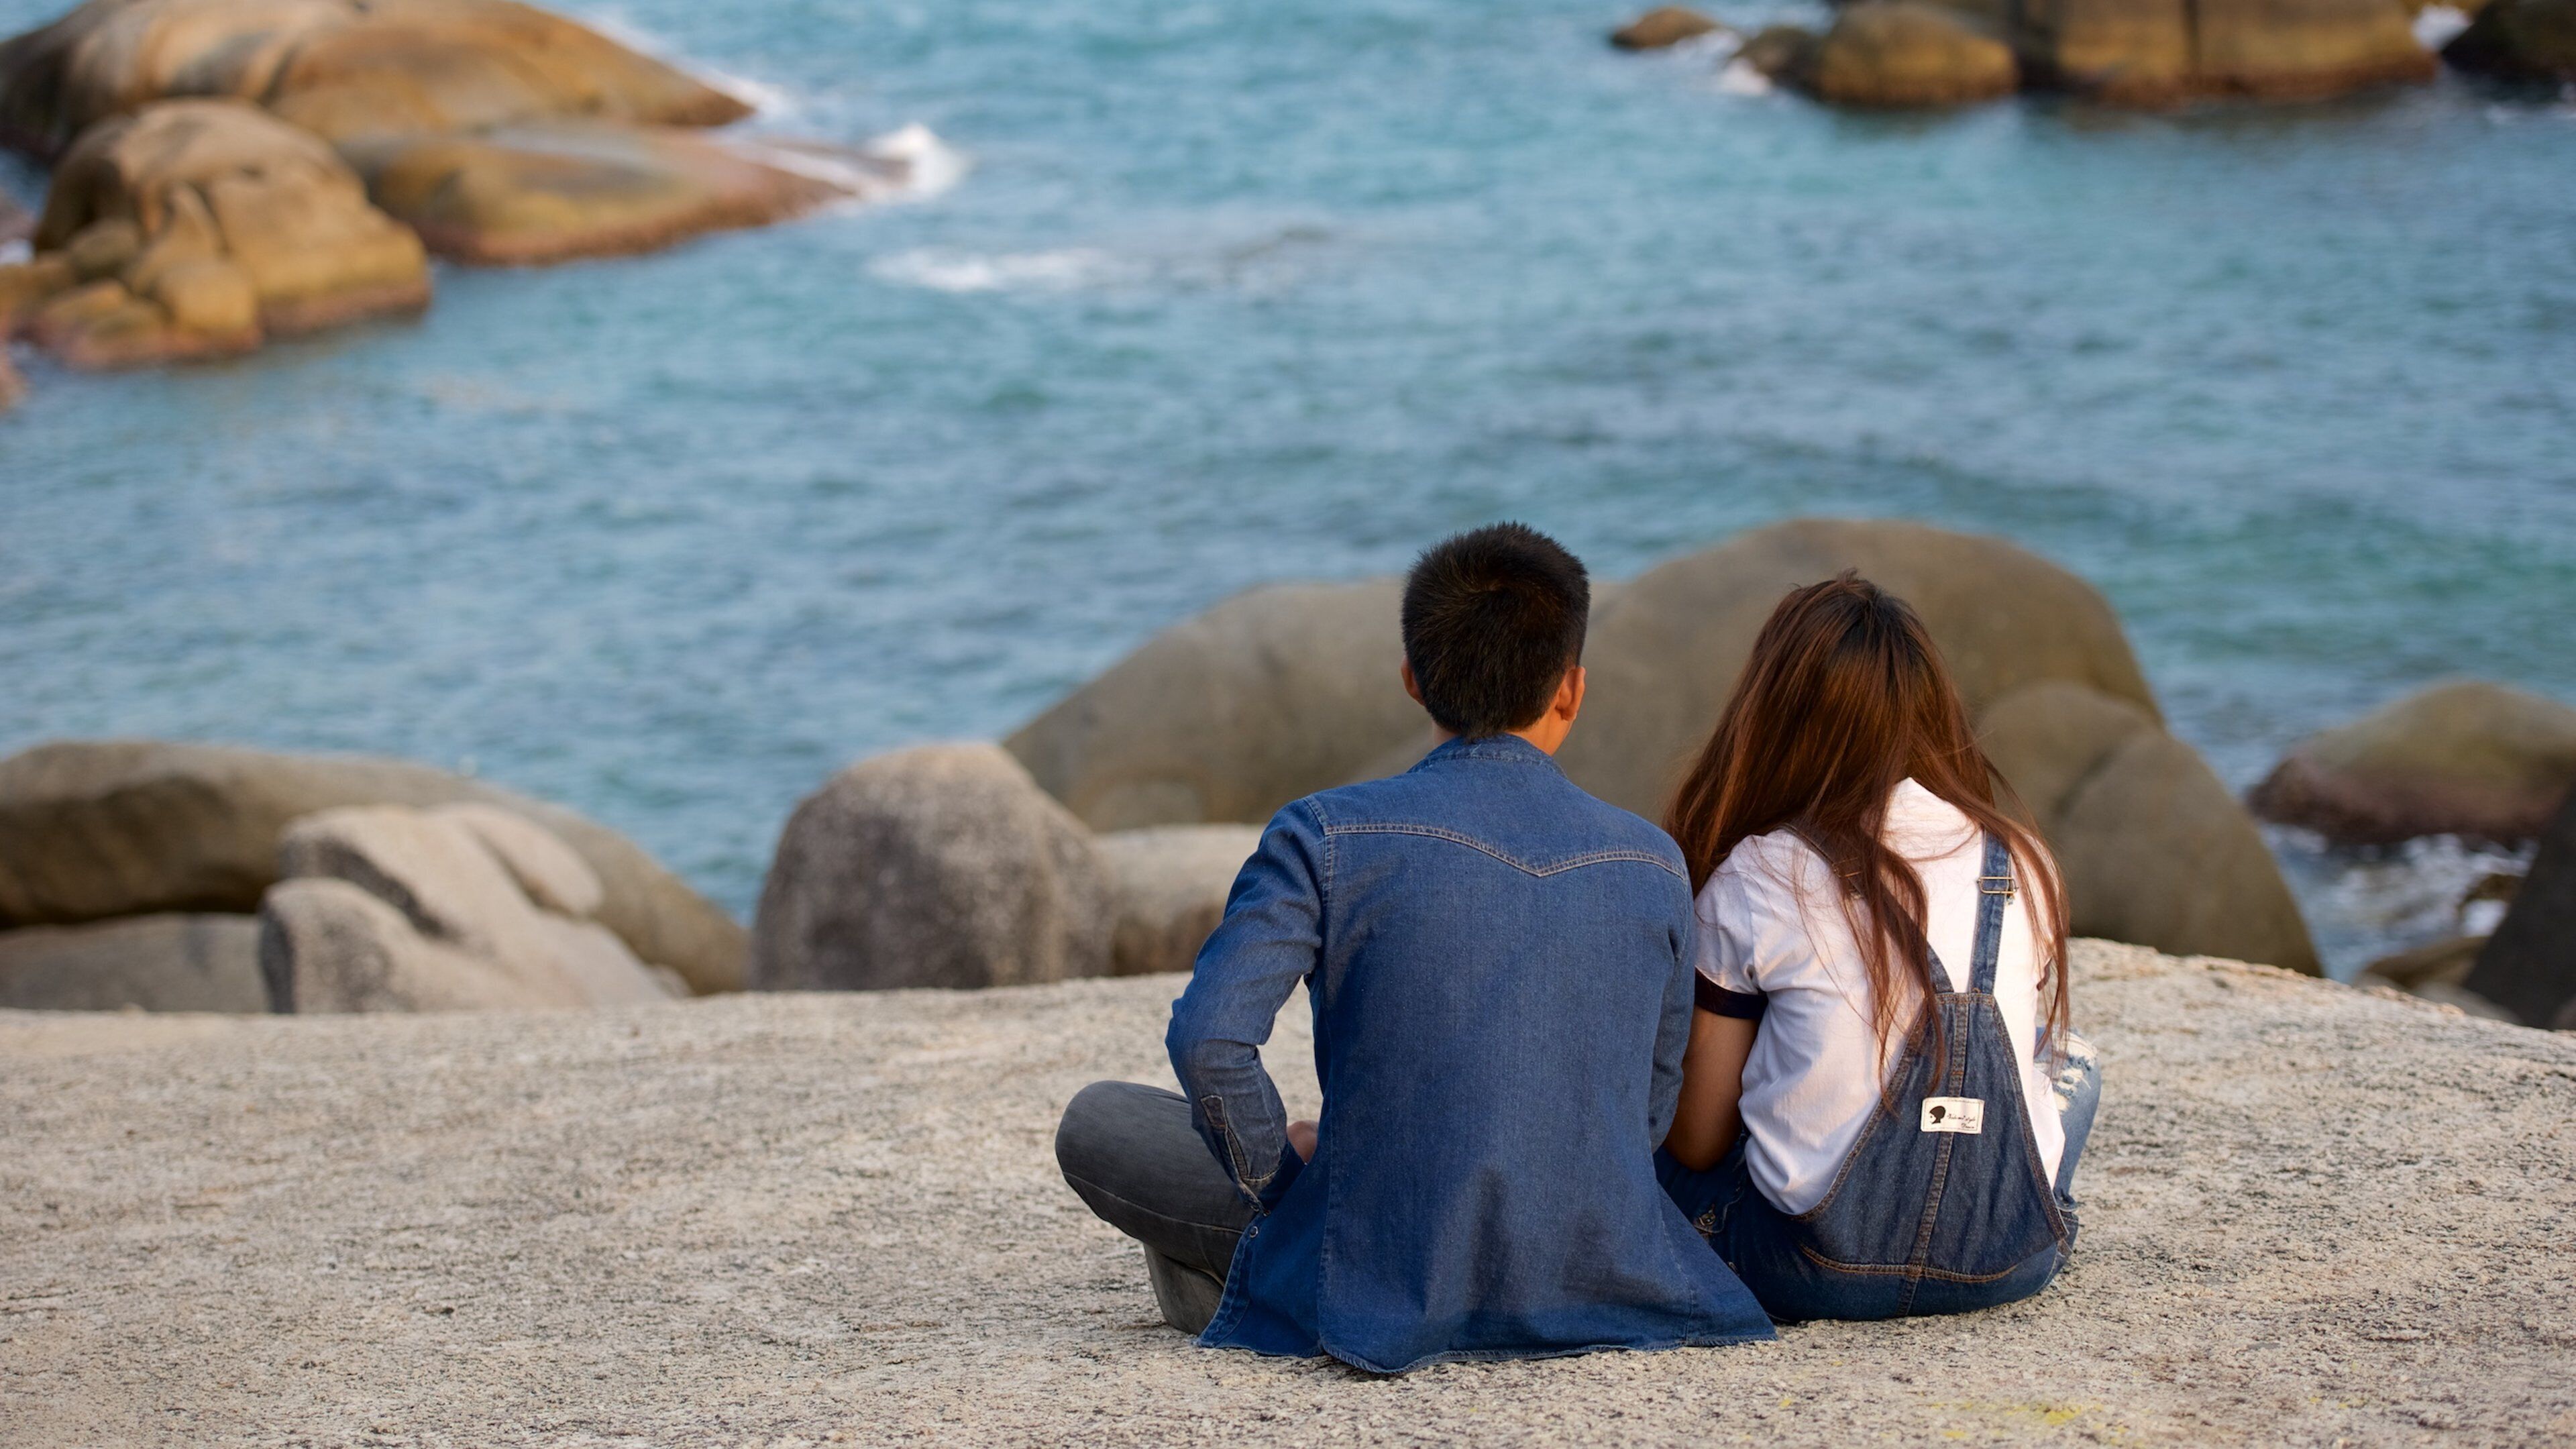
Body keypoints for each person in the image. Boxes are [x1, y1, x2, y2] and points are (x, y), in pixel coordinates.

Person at [1053, 523, 1774, 1373]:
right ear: (1572, 691)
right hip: (1595, 1260)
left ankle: (1244, 1268)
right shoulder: (1652, 861)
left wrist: (1291, 1184)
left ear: (1411, 680)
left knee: (1100, 1120)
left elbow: (1210, 1041)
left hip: (1386, 1259)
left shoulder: (1322, 834)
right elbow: (1649, 1113)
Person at [1655, 571, 2102, 1323]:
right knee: (2076, 1066)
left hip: (1808, 1271)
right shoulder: (2020, 859)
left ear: (1774, 716)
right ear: (1933, 714)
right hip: (2006, 1265)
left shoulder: (1765, 873)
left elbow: (1698, 1142)